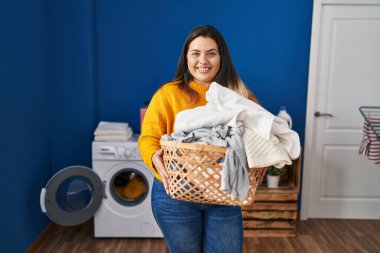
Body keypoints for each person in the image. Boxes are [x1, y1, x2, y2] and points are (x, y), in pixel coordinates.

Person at [138, 24, 256, 253]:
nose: (203, 60)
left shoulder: (239, 96)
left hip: (223, 194)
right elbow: (148, 137)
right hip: (175, 195)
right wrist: (154, 156)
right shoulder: (168, 94)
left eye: (211, 53)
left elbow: (258, 135)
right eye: (196, 53)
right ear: (186, 58)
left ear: (222, 57)